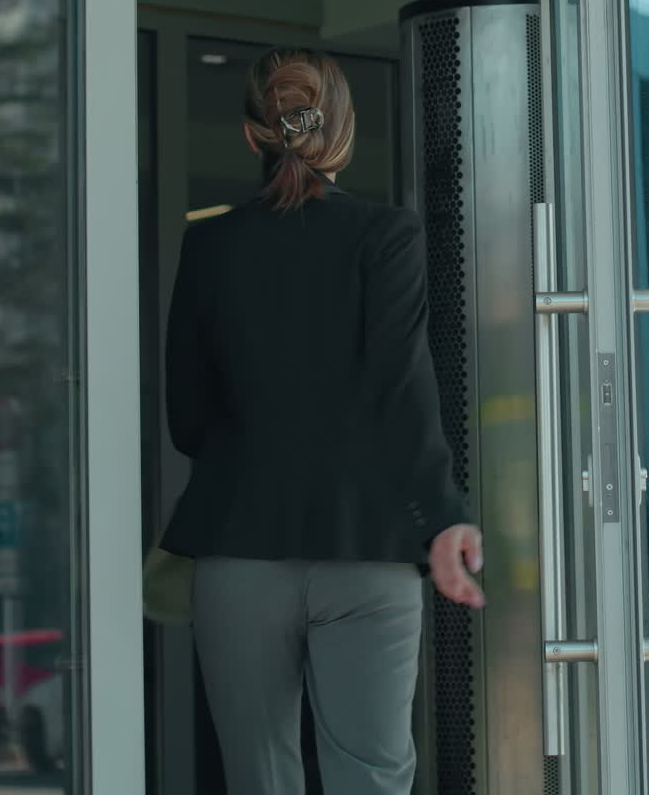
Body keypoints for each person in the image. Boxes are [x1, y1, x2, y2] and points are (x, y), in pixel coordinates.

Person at [163, 47, 484, 795]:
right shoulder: (388, 235)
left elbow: (186, 420)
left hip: (238, 549)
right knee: (371, 776)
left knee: (258, 777)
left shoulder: (208, 243)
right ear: (342, 136)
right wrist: (442, 516)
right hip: (369, 548)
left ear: (252, 135)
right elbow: (405, 392)